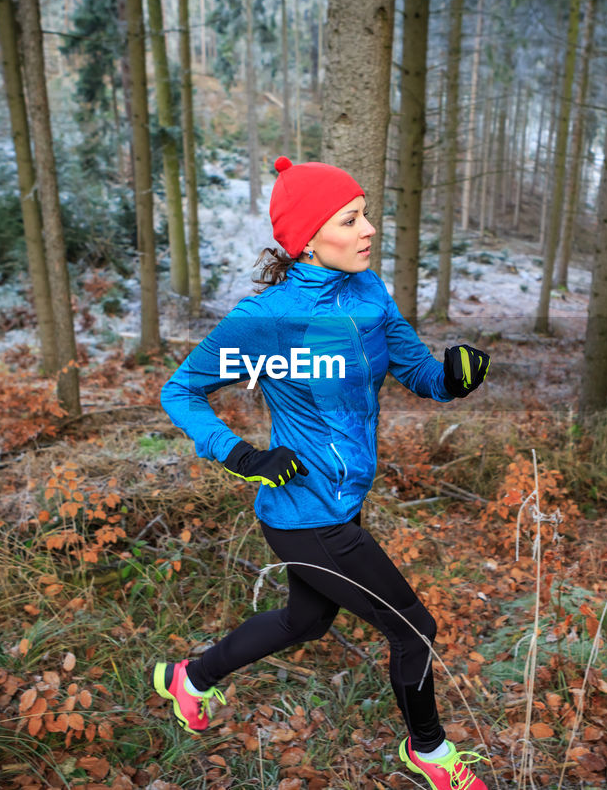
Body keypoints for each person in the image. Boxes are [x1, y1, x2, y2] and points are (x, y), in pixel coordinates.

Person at [157, 156, 492, 790]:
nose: (368, 228)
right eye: (350, 218)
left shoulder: (369, 292)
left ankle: (191, 678)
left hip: (343, 498)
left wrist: (451, 378)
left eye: (366, 212)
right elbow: (181, 392)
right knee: (415, 628)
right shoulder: (268, 320)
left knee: (305, 621)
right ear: (308, 239)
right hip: (304, 512)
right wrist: (241, 455)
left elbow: (415, 371)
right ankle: (430, 752)